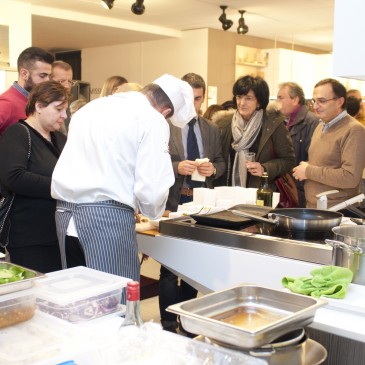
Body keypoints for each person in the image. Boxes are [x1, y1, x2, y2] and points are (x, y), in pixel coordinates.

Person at [51, 74, 196, 303]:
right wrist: (152, 211)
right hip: (106, 217)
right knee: (116, 303)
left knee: (77, 302)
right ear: (166, 111)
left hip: (64, 214)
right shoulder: (152, 119)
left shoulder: (91, 108)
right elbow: (152, 185)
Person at [159, 73, 225, 334]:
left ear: (203, 97)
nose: (194, 104)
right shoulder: (166, 125)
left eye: (198, 99)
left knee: (194, 263)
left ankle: (186, 319)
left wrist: (214, 169)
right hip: (174, 199)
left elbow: (222, 162)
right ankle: (166, 323)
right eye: (190, 98)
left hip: (202, 202)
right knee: (168, 265)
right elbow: (154, 160)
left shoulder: (211, 129)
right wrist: (177, 166)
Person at [0, 81, 69, 272]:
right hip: (28, 236)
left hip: (59, 232)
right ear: (39, 106)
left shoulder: (61, 139)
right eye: (58, 109)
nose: (64, 116)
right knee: (33, 295)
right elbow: (14, 177)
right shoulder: (18, 134)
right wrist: (60, 188)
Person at [293, 78, 365, 208]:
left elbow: (350, 177)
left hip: (339, 212)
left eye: (322, 101)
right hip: (315, 208)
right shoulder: (321, 126)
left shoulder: (354, 130)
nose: (315, 106)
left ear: (339, 101)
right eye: (314, 101)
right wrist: (308, 167)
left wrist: (309, 171)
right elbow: (327, 163)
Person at [215, 75, 295, 190]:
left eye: (248, 98)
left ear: (259, 102)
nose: (242, 103)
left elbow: (288, 160)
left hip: (261, 192)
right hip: (229, 192)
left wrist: (265, 168)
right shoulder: (224, 124)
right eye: (239, 97)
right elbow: (218, 159)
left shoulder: (274, 124)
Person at [276, 82, 319, 207]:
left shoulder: (311, 122)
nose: (277, 102)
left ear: (295, 100)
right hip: (285, 186)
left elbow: (313, 158)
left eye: (281, 98)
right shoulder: (281, 121)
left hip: (301, 188)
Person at [0, 46, 54, 136]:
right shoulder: (7, 103)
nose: (47, 81)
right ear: (24, 74)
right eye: (42, 75)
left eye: (49, 76)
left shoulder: (36, 101)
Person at [50, 60, 74, 133]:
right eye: (61, 81)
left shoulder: (72, 107)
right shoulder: (42, 107)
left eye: (69, 82)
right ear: (48, 81)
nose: (67, 86)